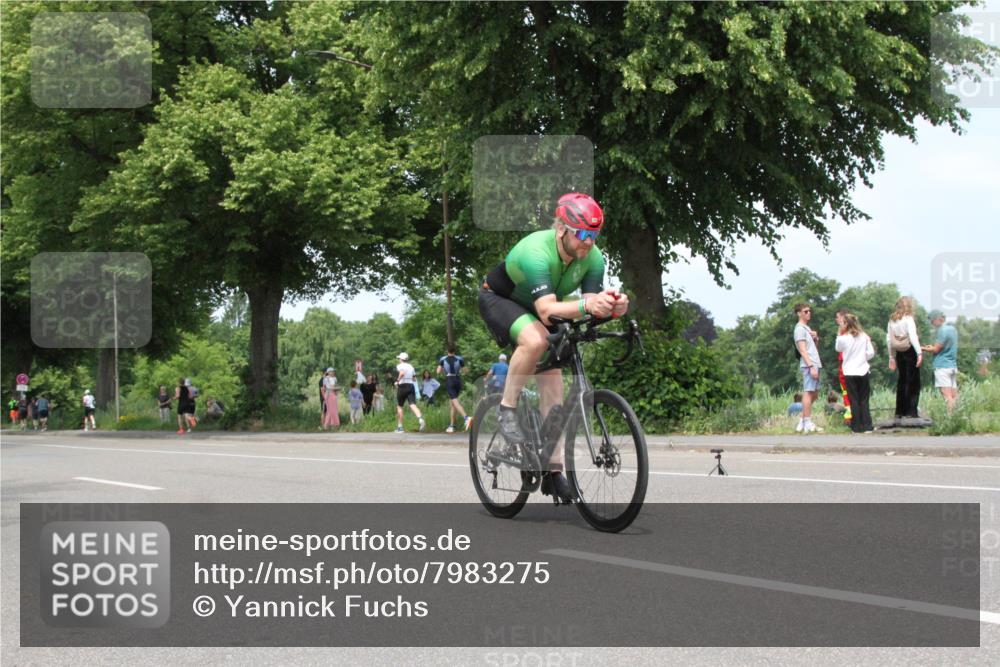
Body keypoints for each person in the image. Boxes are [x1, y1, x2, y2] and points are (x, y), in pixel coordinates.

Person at [477, 192, 627, 501]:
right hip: (502, 300)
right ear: (561, 229)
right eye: (582, 234)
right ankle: (507, 408)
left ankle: (553, 470)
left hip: (544, 306)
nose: (589, 242)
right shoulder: (537, 251)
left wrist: (614, 308)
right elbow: (546, 312)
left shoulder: (593, 258)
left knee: (554, 378)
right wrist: (587, 306)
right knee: (535, 339)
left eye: (594, 235)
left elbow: (590, 307)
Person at [836, 313, 875, 433]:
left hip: (849, 371)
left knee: (853, 400)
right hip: (863, 370)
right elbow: (871, 352)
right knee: (864, 399)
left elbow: (838, 348)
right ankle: (867, 426)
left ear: (846, 324)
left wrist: (839, 333)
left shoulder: (843, 338)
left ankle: (856, 427)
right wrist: (863, 358)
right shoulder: (864, 336)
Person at [886, 296, 922, 419]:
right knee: (913, 382)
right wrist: (919, 353)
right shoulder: (908, 319)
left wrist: (891, 356)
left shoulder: (892, 320)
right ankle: (911, 412)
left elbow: (889, 339)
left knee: (902, 381)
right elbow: (913, 336)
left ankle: (899, 411)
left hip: (899, 352)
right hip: (909, 351)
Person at [792, 303, 823, 433]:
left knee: (815, 393)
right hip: (809, 364)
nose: (808, 313)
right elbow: (803, 350)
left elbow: (813, 348)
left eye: (809, 311)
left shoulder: (807, 328)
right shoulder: (799, 329)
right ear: (799, 313)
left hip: (815, 362)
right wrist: (811, 366)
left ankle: (803, 419)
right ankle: (807, 422)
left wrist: (815, 339)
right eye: (805, 311)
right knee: (809, 392)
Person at [923, 310, 959, 414]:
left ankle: (950, 419)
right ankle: (958, 416)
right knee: (954, 395)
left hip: (942, 367)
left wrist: (923, 348)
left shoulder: (942, 330)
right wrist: (932, 346)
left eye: (932, 320)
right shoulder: (953, 329)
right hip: (952, 366)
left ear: (937, 319)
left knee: (946, 395)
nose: (932, 323)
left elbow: (936, 349)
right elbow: (944, 346)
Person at [437, 347, 472, 433]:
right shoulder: (460, 358)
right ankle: (452, 426)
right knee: (453, 404)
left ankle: (466, 417)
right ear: (454, 351)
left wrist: (443, 369)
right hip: (458, 380)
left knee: (455, 402)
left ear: (447, 351)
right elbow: (466, 371)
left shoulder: (443, 359)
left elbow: (438, 371)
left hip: (449, 380)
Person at [394, 352, 425, 433]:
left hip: (403, 386)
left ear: (401, 359)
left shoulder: (400, 365)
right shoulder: (411, 366)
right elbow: (414, 379)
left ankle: (400, 428)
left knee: (400, 406)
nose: (399, 360)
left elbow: (402, 373)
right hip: (411, 386)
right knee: (412, 404)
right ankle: (420, 419)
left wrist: (397, 381)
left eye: (399, 358)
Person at [834, 309, 853, 426]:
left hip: (845, 365)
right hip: (853, 366)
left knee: (847, 391)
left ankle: (850, 416)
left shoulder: (844, 332)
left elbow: (838, 348)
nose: (836, 319)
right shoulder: (857, 331)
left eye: (837, 317)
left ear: (843, 318)